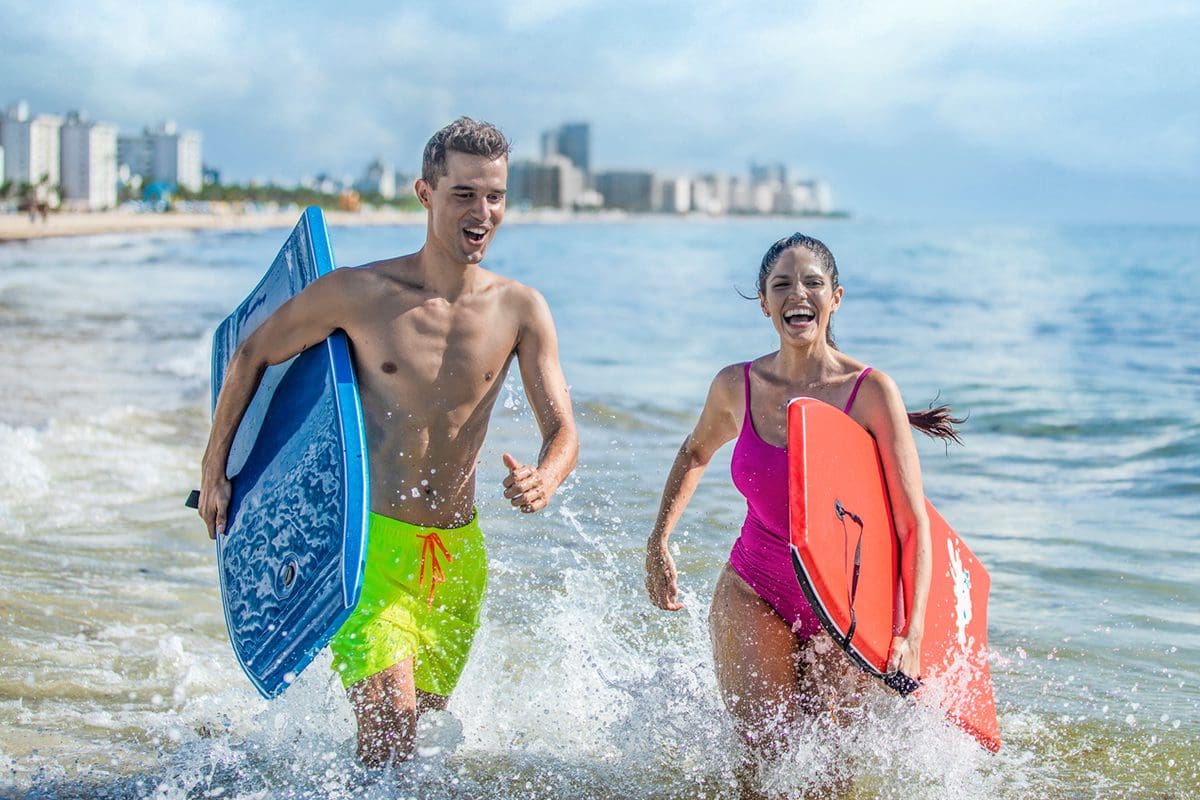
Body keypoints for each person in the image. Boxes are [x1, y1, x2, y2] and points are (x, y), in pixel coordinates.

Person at [198, 117, 579, 767]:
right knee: (393, 732)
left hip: (459, 559)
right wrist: (215, 469)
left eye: (495, 196)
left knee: (410, 750)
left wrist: (546, 476)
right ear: (425, 193)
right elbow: (252, 353)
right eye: (464, 193)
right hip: (367, 549)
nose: (482, 211)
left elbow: (563, 430)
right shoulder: (360, 293)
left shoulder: (521, 309)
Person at [643, 232, 961, 794]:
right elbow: (695, 451)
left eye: (813, 282)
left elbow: (912, 525)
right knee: (762, 760)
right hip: (755, 587)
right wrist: (659, 542)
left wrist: (910, 635)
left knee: (825, 776)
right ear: (764, 302)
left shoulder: (868, 392)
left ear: (835, 297)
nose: (799, 294)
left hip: (846, 604)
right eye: (782, 284)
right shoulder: (736, 386)